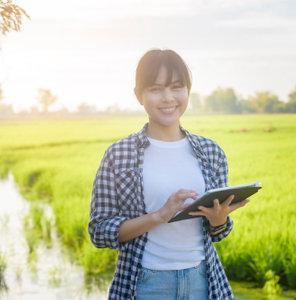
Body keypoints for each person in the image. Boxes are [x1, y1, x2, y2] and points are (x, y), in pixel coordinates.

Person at [88, 49, 249, 300]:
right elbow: (99, 231)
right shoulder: (118, 155)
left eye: (176, 87)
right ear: (138, 95)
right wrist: (159, 216)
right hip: (145, 283)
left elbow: (218, 233)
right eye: (155, 89)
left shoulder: (210, 151)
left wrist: (218, 220)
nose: (168, 98)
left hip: (202, 281)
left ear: (188, 90)